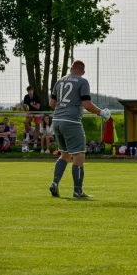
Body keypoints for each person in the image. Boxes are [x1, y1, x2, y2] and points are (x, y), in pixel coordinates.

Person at [48, 60, 111, 198]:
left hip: (57, 121)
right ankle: (77, 191)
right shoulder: (82, 81)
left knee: (64, 155)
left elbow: (51, 104)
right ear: (83, 71)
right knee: (79, 155)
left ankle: (55, 183)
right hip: (71, 122)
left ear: (71, 69)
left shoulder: (59, 81)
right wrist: (101, 112)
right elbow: (87, 104)